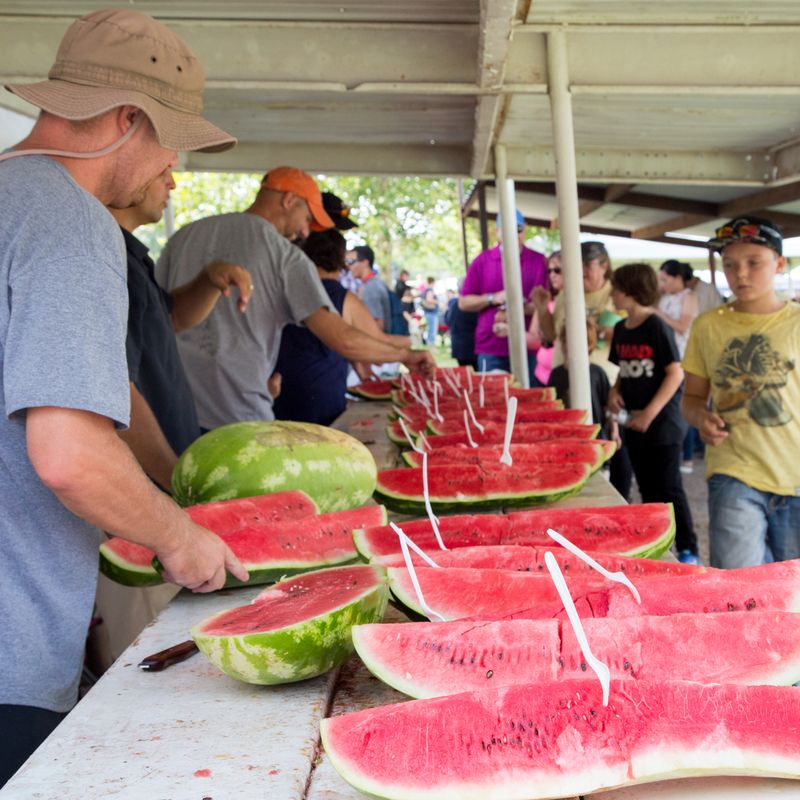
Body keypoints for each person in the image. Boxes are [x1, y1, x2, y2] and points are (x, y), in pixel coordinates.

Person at [0, 9, 248, 786]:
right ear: (128, 119)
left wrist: (172, 484)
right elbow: (69, 453)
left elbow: (91, 388)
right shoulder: (71, 222)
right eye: (173, 140)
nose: (173, 163)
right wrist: (179, 536)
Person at [156, 168, 433, 430]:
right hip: (239, 415)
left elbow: (157, 316)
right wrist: (404, 356)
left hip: (172, 411)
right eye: (308, 219)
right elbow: (342, 338)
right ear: (289, 200)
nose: (305, 232)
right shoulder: (286, 256)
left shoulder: (183, 236)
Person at [109, 168, 253, 489]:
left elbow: (169, 319)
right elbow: (115, 390)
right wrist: (175, 481)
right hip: (149, 481)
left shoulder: (129, 256)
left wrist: (209, 279)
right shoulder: (110, 264)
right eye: (162, 171)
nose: (172, 183)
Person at [682, 216, 800, 569]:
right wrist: (700, 418)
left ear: (779, 264)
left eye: (754, 263)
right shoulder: (707, 325)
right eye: (730, 265)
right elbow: (691, 399)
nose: (741, 274)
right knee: (739, 585)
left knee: (792, 588)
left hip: (795, 473)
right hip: (733, 472)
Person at [608, 264, 700, 565]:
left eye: (616, 288)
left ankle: (688, 548)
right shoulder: (621, 329)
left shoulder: (656, 326)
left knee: (669, 487)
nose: (612, 294)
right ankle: (660, 544)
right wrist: (614, 391)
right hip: (634, 422)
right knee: (647, 488)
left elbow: (675, 373)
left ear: (630, 291)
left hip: (663, 424)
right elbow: (623, 370)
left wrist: (649, 413)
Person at [273, 230, 411, 424]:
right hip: (322, 394)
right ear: (340, 260)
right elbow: (371, 339)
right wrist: (408, 347)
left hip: (282, 391)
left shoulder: (286, 292)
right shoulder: (343, 297)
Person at [459, 210, 548, 377]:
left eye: (518, 229)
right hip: (491, 346)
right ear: (497, 231)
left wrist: (515, 307)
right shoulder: (482, 261)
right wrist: (492, 298)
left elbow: (545, 305)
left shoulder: (539, 261)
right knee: (492, 392)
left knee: (530, 391)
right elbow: (463, 303)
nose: (513, 235)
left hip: (529, 346)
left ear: (525, 228)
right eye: (507, 230)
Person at [534, 241, 621, 383]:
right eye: (576, 264)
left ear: (604, 266)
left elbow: (628, 333)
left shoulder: (616, 294)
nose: (580, 270)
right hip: (563, 375)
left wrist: (596, 331)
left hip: (601, 381)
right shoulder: (565, 293)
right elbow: (552, 335)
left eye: (587, 265)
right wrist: (542, 309)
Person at [655, 259, 701, 474]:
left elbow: (683, 326)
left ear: (677, 278)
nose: (663, 284)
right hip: (663, 358)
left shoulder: (689, 297)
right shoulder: (663, 297)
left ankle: (688, 456)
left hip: (682, 358)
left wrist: (659, 315)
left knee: (682, 407)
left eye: (665, 279)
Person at [445, 281, 478, 369]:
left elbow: (448, 320)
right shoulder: (471, 305)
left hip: (459, 346)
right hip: (471, 346)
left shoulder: (454, 304)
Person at [421, 277, 440, 346]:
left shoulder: (426, 290)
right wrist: (437, 301)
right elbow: (429, 299)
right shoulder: (429, 290)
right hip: (431, 312)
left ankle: (430, 342)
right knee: (432, 329)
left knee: (431, 328)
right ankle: (431, 343)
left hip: (428, 312)